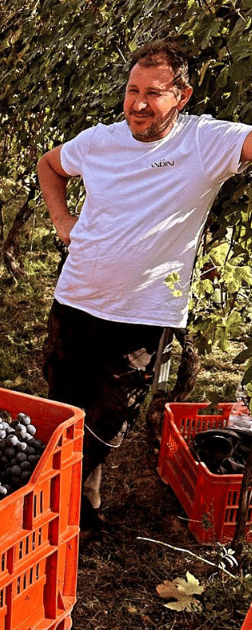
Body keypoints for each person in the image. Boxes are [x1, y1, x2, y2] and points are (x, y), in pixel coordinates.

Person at [36, 39, 252, 531]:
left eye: (154, 93)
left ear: (183, 96)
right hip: (77, 296)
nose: (137, 103)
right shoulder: (99, 141)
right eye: (132, 90)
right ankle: (54, 496)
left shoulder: (204, 142)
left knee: (113, 416)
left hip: (144, 312)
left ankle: (74, 494)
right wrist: (61, 219)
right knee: (61, 401)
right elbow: (51, 165)